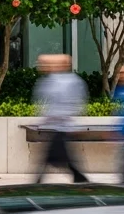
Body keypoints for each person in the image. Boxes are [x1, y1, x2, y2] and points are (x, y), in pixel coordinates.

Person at [33, 53, 89, 183]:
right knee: (58, 158)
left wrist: (60, 117)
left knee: (53, 158)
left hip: (62, 127)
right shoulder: (51, 80)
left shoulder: (71, 81)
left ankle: (38, 182)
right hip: (56, 127)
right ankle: (80, 179)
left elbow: (75, 103)